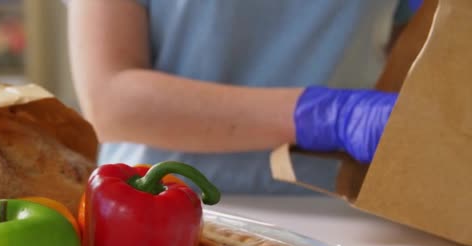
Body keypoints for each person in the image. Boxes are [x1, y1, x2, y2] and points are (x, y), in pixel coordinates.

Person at [67, 0, 418, 194]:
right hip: (157, 205)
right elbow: (110, 100)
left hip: (349, 212)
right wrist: (329, 117)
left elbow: (413, 71)